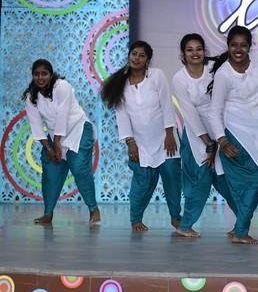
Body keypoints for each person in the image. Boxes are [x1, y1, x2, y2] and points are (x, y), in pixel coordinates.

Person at [208, 26, 258, 245]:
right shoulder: (224, 74)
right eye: (234, 45)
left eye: (243, 45)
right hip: (236, 134)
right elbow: (214, 112)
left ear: (250, 46)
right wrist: (223, 141)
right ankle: (240, 231)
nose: (238, 50)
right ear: (228, 46)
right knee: (253, 181)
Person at [101, 41, 182, 231]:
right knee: (142, 183)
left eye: (142, 55)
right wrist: (130, 143)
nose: (137, 58)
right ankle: (136, 219)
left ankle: (175, 218)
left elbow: (166, 105)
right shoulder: (120, 84)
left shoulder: (156, 76)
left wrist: (169, 133)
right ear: (129, 56)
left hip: (166, 140)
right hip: (141, 144)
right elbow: (122, 116)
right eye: (134, 54)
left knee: (172, 179)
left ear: (148, 60)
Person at [172, 33, 235, 238]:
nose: (195, 53)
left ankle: (242, 223)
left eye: (199, 49)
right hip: (196, 133)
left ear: (204, 51)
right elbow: (189, 112)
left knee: (226, 179)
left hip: (220, 124)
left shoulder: (214, 68)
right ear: (183, 54)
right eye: (189, 50)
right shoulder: (179, 78)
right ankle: (185, 225)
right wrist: (208, 141)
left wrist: (220, 136)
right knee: (200, 178)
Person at [24, 59, 100, 225]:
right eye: (36, 74)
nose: (40, 77)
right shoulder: (31, 98)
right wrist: (49, 148)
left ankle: (93, 208)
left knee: (79, 167)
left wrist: (57, 143)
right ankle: (48, 214)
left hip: (78, 129)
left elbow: (62, 115)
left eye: (44, 73)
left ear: (51, 75)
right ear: (32, 76)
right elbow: (37, 127)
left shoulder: (62, 86)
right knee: (50, 172)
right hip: (54, 136)